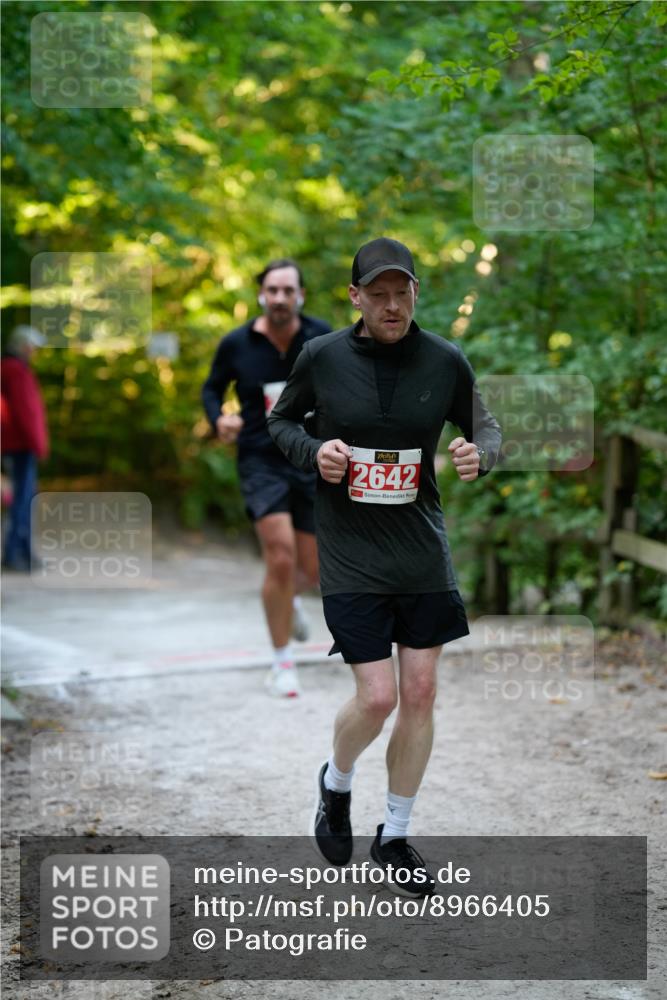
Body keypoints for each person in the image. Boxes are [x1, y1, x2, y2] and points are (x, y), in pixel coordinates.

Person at [268, 237, 501, 895]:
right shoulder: (321, 357)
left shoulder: (443, 360)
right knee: (377, 697)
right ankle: (335, 781)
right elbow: (281, 425)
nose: (392, 305)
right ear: (355, 298)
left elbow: (487, 430)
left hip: (418, 546)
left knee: (420, 692)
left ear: (415, 294)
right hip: (348, 547)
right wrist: (315, 451)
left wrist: (477, 456)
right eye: (378, 294)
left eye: (402, 293)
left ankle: (394, 835)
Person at [202, 259, 332, 697]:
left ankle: (290, 599)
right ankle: (281, 662)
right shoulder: (236, 344)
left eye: (287, 290)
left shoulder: (322, 337)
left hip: (311, 459)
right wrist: (219, 417)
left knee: (311, 569)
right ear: (261, 294)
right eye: (272, 290)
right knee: (279, 556)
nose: (279, 298)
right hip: (260, 459)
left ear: (300, 295)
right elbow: (211, 388)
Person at [1, 325, 49, 571]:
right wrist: (38, 444)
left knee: (22, 499)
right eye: (32, 347)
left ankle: (21, 553)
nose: (34, 352)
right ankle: (16, 554)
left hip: (15, 445)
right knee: (22, 500)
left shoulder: (11, 370)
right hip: (19, 446)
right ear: (23, 346)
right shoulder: (15, 372)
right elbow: (26, 413)